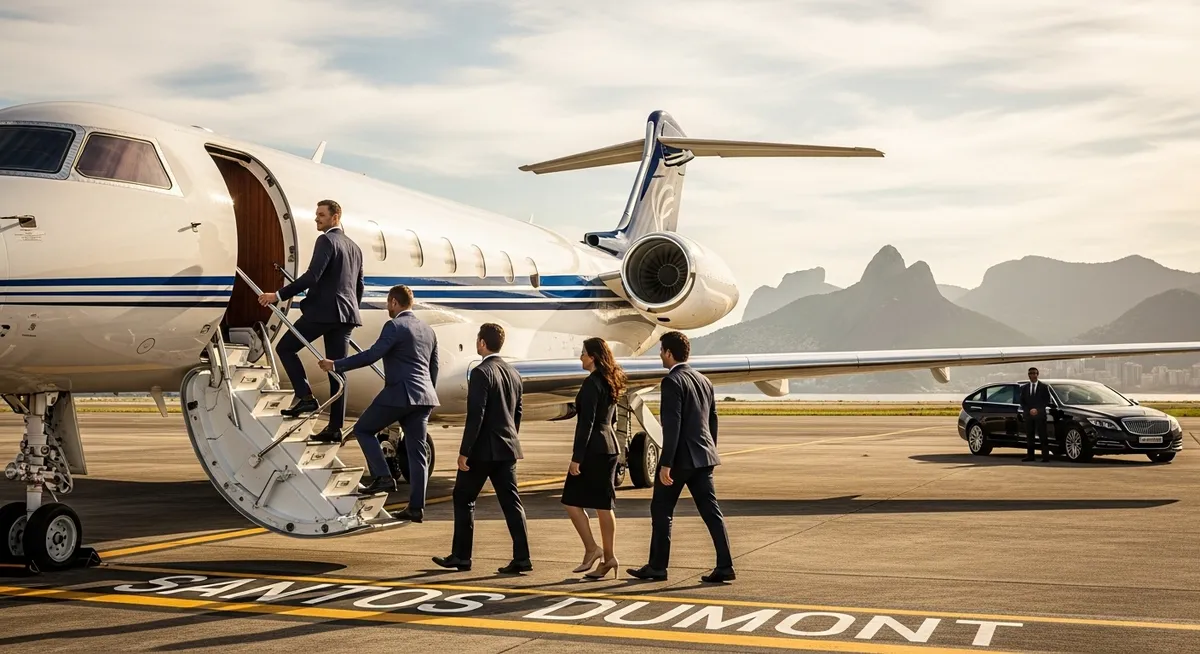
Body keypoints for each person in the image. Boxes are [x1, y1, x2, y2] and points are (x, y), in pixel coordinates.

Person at [317, 285, 438, 520]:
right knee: (417, 454)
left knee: (363, 429)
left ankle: (383, 476)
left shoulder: (395, 326)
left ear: (394, 302)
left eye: (388, 303)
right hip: (424, 397)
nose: (387, 308)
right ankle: (416, 508)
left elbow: (372, 355)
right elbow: (432, 368)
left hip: (399, 393)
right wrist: (426, 394)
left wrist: (336, 365)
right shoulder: (428, 330)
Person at [628, 331, 734, 584]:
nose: (660, 355)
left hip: (680, 460)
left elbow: (672, 426)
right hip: (703, 457)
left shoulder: (672, 382)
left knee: (661, 510)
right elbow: (712, 420)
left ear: (668, 353)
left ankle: (657, 567)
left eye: (661, 351)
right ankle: (725, 565)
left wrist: (666, 464)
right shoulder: (704, 380)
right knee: (711, 513)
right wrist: (710, 451)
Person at [259, 199, 364, 443]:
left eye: (321, 215)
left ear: (335, 217)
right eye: (317, 214)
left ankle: (306, 397)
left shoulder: (326, 240)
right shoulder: (354, 247)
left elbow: (312, 276)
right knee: (337, 370)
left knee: (285, 348)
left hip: (323, 312)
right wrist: (350, 310)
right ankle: (335, 428)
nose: (317, 218)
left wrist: (278, 295)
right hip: (347, 316)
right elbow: (359, 285)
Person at [433, 323, 531, 574]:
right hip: (507, 448)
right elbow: (517, 413)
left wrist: (465, 451)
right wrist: (509, 439)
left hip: (482, 450)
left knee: (463, 498)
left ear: (482, 343)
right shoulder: (513, 373)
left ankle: (461, 556)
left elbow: (476, 415)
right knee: (511, 503)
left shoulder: (480, 372)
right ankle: (522, 557)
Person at [562, 337, 626, 579]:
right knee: (603, 505)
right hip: (609, 446)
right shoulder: (610, 380)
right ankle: (608, 557)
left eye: (583, 353)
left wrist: (577, 458)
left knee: (571, 501)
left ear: (593, 357)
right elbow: (611, 419)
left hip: (594, 450)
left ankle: (592, 549)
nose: (580, 357)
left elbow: (586, 424)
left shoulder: (591, 383)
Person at [1019, 366, 1052, 463]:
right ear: (1028, 375)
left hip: (1040, 415)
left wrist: (1037, 410)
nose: (1033, 375)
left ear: (1037, 374)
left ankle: (1045, 456)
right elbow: (1022, 401)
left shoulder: (1044, 387)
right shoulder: (1024, 388)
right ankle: (1030, 456)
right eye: (1031, 373)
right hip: (1029, 415)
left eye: (1034, 373)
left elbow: (1046, 400)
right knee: (1030, 436)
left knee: (1043, 436)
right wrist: (1029, 410)